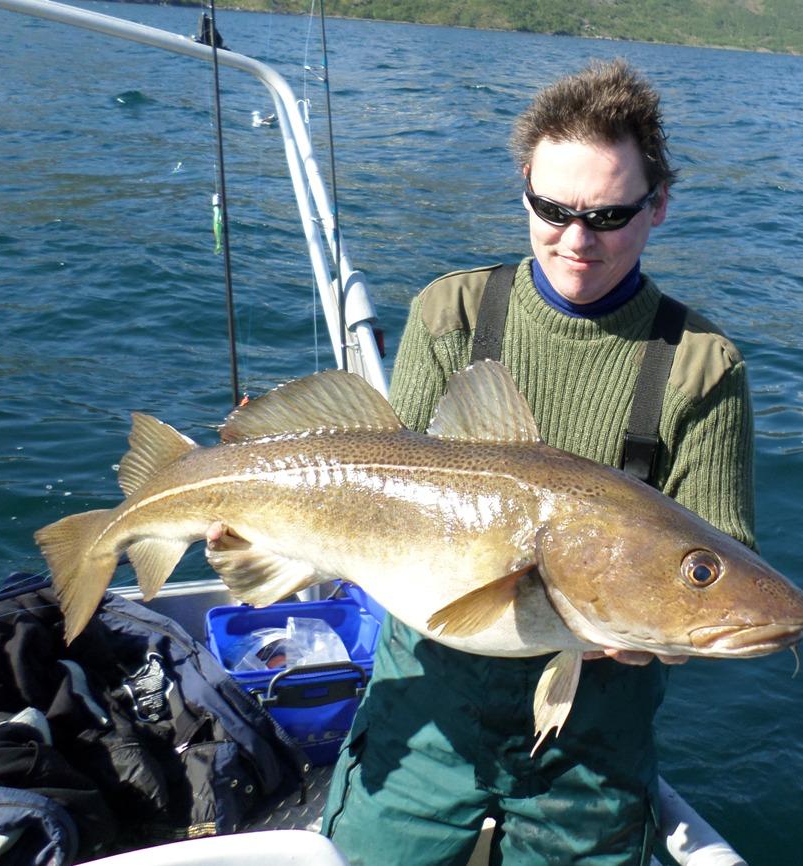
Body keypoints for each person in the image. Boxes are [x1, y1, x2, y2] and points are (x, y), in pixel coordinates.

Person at [321, 59, 756, 866]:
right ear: (523, 186)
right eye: (551, 210)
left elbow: (721, 550)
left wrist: (654, 630)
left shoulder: (700, 363)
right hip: (426, 703)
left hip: (594, 743)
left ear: (658, 204)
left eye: (609, 215)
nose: (576, 240)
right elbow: (385, 478)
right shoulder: (451, 312)